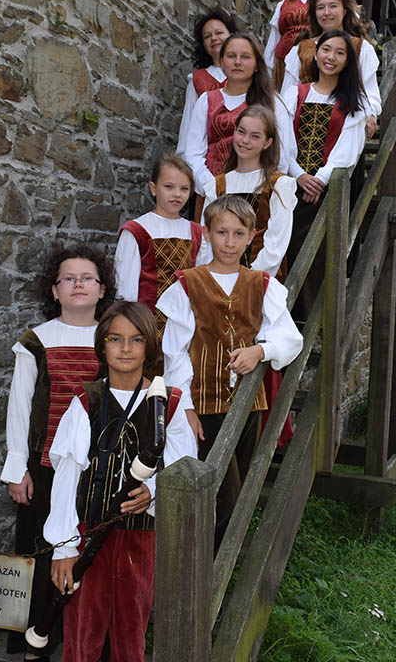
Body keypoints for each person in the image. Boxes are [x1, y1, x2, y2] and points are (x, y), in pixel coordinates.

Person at [44, 301, 196, 662]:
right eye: (115, 339)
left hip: (141, 539)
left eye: (136, 339)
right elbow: (66, 478)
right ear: (102, 345)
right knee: (81, 637)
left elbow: (182, 472)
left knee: (131, 638)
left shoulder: (171, 404)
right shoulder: (86, 401)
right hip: (87, 535)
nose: (125, 348)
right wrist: (64, 547)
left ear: (149, 346)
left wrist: (153, 492)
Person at [157, 196, 302, 544]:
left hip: (248, 405)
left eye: (239, 233)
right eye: (222, 232)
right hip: (203, 407)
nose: (230, 242)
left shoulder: (262, 284)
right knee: (223, 495)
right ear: (207, 233)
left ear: (251, 236)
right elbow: (174, 354)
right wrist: (185, 407)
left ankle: (219, 560)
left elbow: (290, 339)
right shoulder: (187, 284)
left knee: (242, 486)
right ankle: (205, 564)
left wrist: (261, 350)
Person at [0, 242, 116, 661]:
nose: (78, 285)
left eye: (87, 278)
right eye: (69, 278)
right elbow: (19, 405)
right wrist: (18, 467)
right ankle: (37, 643)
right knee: (42, 551)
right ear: (55, 289)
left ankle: (91, 645)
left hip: (99, 468)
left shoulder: (115, 337)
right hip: (45, 466)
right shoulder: (37, 341)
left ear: (102, 289)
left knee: (93, 555)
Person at [281, 29, 368, 318]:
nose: (331, 57)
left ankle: (305, 324)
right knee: (282, 250)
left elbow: (348, 149)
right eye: (326, 49)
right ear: (316, 54)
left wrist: (319, 179)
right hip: (289, 187)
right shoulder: (295, 94)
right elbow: (282, 140)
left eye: (340, 52)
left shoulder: (354, 102)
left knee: (315, 257)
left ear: (347, 61)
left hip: (325, 193)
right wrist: (299, 175)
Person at [181, 33, 296, 195]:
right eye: (231, 56)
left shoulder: (272, 102)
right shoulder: (206, 101)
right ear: (222, 62)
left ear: (256, 65)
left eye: (245, 57)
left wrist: (255, 190)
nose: (237, 62)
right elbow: (193, 154)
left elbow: (282, 155)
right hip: (211, 192)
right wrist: (213, 188)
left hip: (256, 194)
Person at [115, 155, 209, 334]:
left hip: (184, 326)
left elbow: (202, 283)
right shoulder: (137, 230)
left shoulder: (197, 233)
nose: (177, 194)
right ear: (153, 188)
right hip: (145, 325)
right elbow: (126, 288)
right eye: (169, 187)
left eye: (184, 188)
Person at [201, 105, 295, 279]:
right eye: (241, 132)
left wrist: (246, 279)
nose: (245, 140)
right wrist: (212, 277)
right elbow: (206, 240)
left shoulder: (278, 185)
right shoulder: (217, 185)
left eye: (255, 136)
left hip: (258, 279)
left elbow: (276, 244)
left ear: (267, 143)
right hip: (218, 279)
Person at [281, 0, 381, 139]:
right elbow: (288, 92)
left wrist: (371, 114)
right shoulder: (301, 49)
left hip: (346, 125)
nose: (326, 12)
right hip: (304, 125)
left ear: (344, 10)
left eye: (333, 6)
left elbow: (370, 91)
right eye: (320, 8)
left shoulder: (360, 48)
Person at [174, 8, 241, 159]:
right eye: (207, 36)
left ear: (231, 35)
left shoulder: (247, 75)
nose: (214, 38)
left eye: (219, 33)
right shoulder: (197, 80)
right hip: (206, 161)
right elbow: (187, 127)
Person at [264, 0, 331, 89]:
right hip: (282, 65)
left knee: (311, 101)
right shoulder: (284, 3)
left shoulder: (331, 1)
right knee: (285, 101)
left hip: (314, 66)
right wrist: (266, 74)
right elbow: (274, 39)